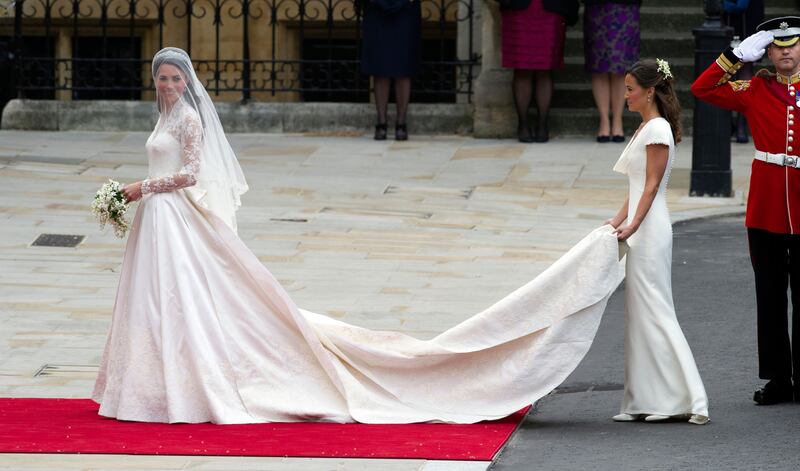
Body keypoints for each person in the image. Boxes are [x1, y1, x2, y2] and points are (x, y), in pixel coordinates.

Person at [92, 47, 629, 424]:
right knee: (155, 301)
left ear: (187, 83)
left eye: (174, 79)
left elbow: (191, 173)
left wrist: (138, 188)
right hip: (156, 221)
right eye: (161, 78)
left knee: (184, 298)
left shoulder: (188, 120)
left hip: (170, 211)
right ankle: (150, 383)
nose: (167, 85)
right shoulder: (161, 116)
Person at [691, 16, 800, 406]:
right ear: (767, 51)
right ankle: (778, 379)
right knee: (769, 296)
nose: (786, 50)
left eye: (793, 43)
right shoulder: (756, 88)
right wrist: (733, 56)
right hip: (767, 206)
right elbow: (702, 88)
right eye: (778, 44)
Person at [605, 58, 709, 425]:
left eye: (631, 89)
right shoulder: (645, 126)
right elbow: (635, 187)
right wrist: (616, 221)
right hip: (640, 224)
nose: (626, 95)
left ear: (650, 91)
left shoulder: (658, 130)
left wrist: (633, 224)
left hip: (651, 229)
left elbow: (651, 185)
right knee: (639, 313)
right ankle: (642, 400)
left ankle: (683, 399)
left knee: (656, 308)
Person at [501, 0, 567, 143]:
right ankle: (523, 124)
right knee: (522, 67)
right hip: (519, 12)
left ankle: (542, 124)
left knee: (545, 67)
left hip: (550, 12)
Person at [359, 0, 422, 141]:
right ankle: (381, 122)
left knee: (403, 65)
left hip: (406, 9)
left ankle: (401, 123)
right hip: (376, 9)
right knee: (380, 65)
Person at [583, 0, 641, 143]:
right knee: (598, 65)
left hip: (625, 9)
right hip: (597, 9)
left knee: (620, 66)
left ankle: (617, 120)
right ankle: (604, 120)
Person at [722, 0, 765, 143]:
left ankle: (741, 125)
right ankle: (730, 124)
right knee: (726, 68)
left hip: (749, 15)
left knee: (745, 65)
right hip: (724, 16)